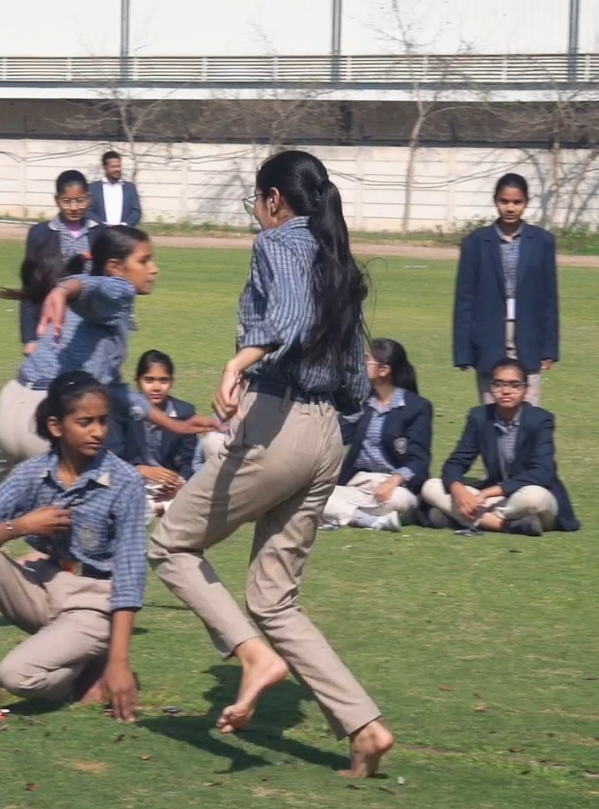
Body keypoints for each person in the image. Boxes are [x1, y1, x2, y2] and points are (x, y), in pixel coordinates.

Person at [144, 150, 395, 778]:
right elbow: (359, 388)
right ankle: (364, 726)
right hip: (329, 437)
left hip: (277, 424)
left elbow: (286, 319)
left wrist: (235, 365)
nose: (257, 213)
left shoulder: (277, 243)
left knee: (170, 545)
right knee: (274, 598)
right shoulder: (336, 258)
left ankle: (252, 656)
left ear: (274, 200)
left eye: (257, 201)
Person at [0, 226, 213, 640]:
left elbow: (117, 389)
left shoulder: (104, 314)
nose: (154, 269)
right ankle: (72, 616)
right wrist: (63, 290)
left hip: (12, 404)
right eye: (145, 260)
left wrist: (174, 424)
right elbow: (97, 285)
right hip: (48, 420)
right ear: (116, 267)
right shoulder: (116, 292)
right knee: (67, 520)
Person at [0, 371, 146, 721]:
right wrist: (20, 526)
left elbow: (129, 576)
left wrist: (120, 663)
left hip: (95, 602)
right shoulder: (32, 474)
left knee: (18, 676)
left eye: (102, 421)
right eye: (85, 422)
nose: (98, 431)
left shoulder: (125, 482)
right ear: (56, 426)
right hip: (44, 585)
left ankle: (88, 668)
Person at [421, 357, 579, 536]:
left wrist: (488, 493)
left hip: (527, 497)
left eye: (514, 385)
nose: (506, 391)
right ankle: (507, 525)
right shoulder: (479, 417)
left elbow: (543, 472)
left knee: (534, 499)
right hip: (498, 501)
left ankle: (460, 516)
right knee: (431, 486)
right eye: (499, 384)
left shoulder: (540, 419)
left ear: (525, 389)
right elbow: (456, 462)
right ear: (490, 387)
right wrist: (459, 492)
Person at [454, 173, 559, 406]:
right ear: (495, 201)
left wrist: (549, 349)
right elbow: (465, 300)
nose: (510, 208)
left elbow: (549, 298)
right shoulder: (476, 243)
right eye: (504, 201)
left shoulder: (542, 242)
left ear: (526, 202)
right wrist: (464, 351)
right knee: (490, 412)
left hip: (528, 336)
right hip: (489, 336)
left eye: (517, 202)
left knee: (528, 412)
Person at [321, 339, 433, 533]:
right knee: (314, 496)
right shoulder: (362, 403)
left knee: (399, 500)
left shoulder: (417, 408)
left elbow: (420, 461)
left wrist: (393, 480)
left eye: (367, 360)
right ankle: (367, 520)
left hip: (394, 487)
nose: (361, 364)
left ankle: (343, 514)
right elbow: (336, 433)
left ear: (384, 370)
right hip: (359, 484)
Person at [20, 170, 104, 355]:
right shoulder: (39, 234)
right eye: (67, 201)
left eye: (80, 200)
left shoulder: (101, 234)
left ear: (88, 199)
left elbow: (105, 284)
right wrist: (30, 338)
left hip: (87, 327)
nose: (74, 207)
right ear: (57, 200)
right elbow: (30, 290)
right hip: (49, 326)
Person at [121, 350, 198, 518]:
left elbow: (188, 460)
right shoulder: (123, 412)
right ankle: (154, 508)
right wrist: (140, 470)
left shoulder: (184, 412)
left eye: (163, 380)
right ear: (138, 382)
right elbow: (113, 457)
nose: (156, 387)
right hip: (133, 481)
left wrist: (178, 482)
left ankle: (158, 507)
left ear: (171, 382)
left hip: (169, 485)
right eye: (149, 380)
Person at [88, 150, 142, 228]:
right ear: (105, 168)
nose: (117, 169)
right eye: (113, 167)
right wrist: (101, 224)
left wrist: (125, 225)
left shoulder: (130, 188)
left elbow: (136, 211)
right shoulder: (93, 188)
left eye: (118, 166)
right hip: (101, 234)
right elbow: (88, 211)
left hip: (124, 235)